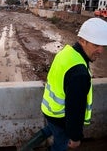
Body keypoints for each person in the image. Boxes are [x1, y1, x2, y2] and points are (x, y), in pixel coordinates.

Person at [19, 17, 107, 151]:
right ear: (82, 41)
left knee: (51, 128)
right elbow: (75, 110)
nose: (101, 50)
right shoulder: (79, 73)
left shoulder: (67, 52)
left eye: (103, 46)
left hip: (49, 110)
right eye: (96, 45)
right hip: (61, 118)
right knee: (60, 146)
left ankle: (27, 147)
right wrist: (75, 137)